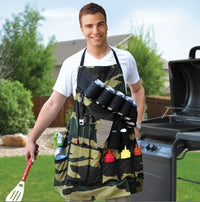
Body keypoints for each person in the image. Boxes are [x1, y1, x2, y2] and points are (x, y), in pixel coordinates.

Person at [26, 2, 145, 201]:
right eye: (89, 26)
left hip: (116, 149)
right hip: (82, 147)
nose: (95, 31)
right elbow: (53, 104)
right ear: (82, 29)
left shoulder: (125, 59)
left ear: (107, 26)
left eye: (100, 24)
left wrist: (137, 125)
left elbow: (138, 90)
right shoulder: (71, 64)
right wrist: (32, 139)